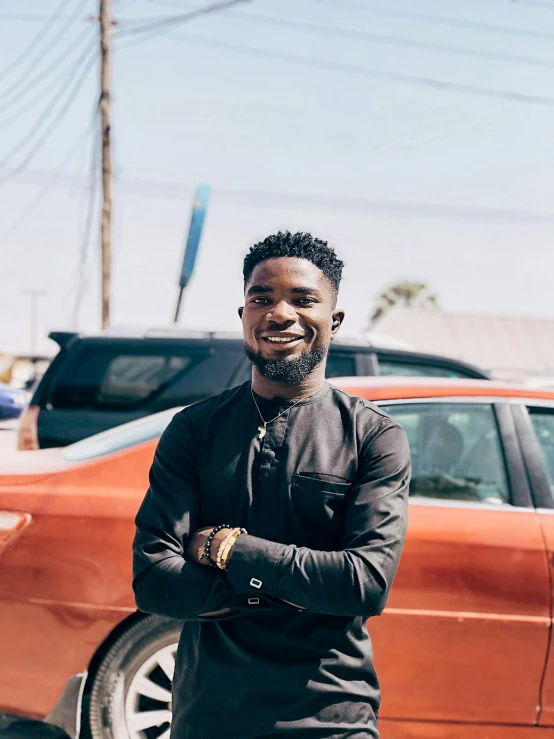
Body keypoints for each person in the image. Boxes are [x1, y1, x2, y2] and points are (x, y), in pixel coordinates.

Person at [132, 231, 411, 739]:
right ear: (243, 316)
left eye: (304, 299)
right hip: (209, 716)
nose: (280, 313)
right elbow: (153, 581)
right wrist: (300, 589)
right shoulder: (195, 429)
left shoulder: (373, 435)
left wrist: (227, 548)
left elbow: (365, 583)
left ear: (335, 320)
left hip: (331, 718)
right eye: (262, 298)